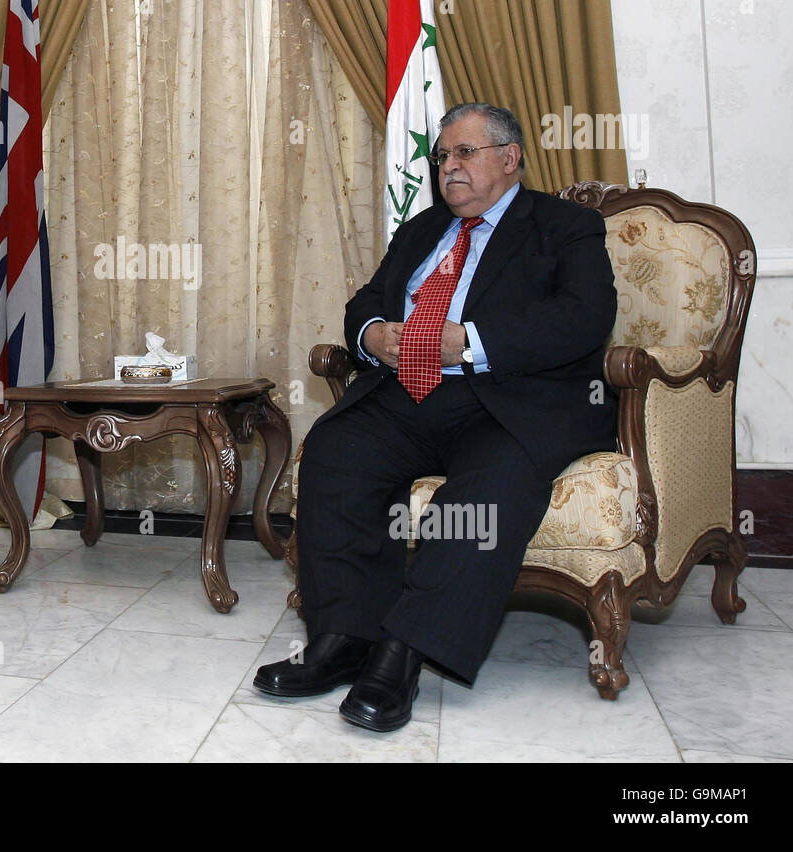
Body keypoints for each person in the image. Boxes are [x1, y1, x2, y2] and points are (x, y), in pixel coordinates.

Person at [254, 103, 617, 730]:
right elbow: (366, 299)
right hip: (409, 393)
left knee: (485, 489)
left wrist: (471, 341)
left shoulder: (565, 227)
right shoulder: (422, 230)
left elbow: (584, 319)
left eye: (465, 153)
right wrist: (374, 335)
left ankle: (402, 654)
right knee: (337, 451)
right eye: (443, 157)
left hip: (508, 400)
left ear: (510, 158)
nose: (449, 168)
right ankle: (343, 639)